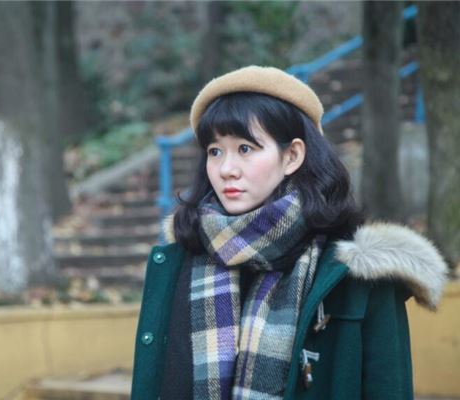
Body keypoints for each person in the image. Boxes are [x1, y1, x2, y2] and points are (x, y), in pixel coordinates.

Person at [130, 66, 448, 400]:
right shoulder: (178, 260)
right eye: (215, 151)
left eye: (245, 148)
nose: (226, 169)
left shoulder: (356, 274)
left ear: (292, 156)